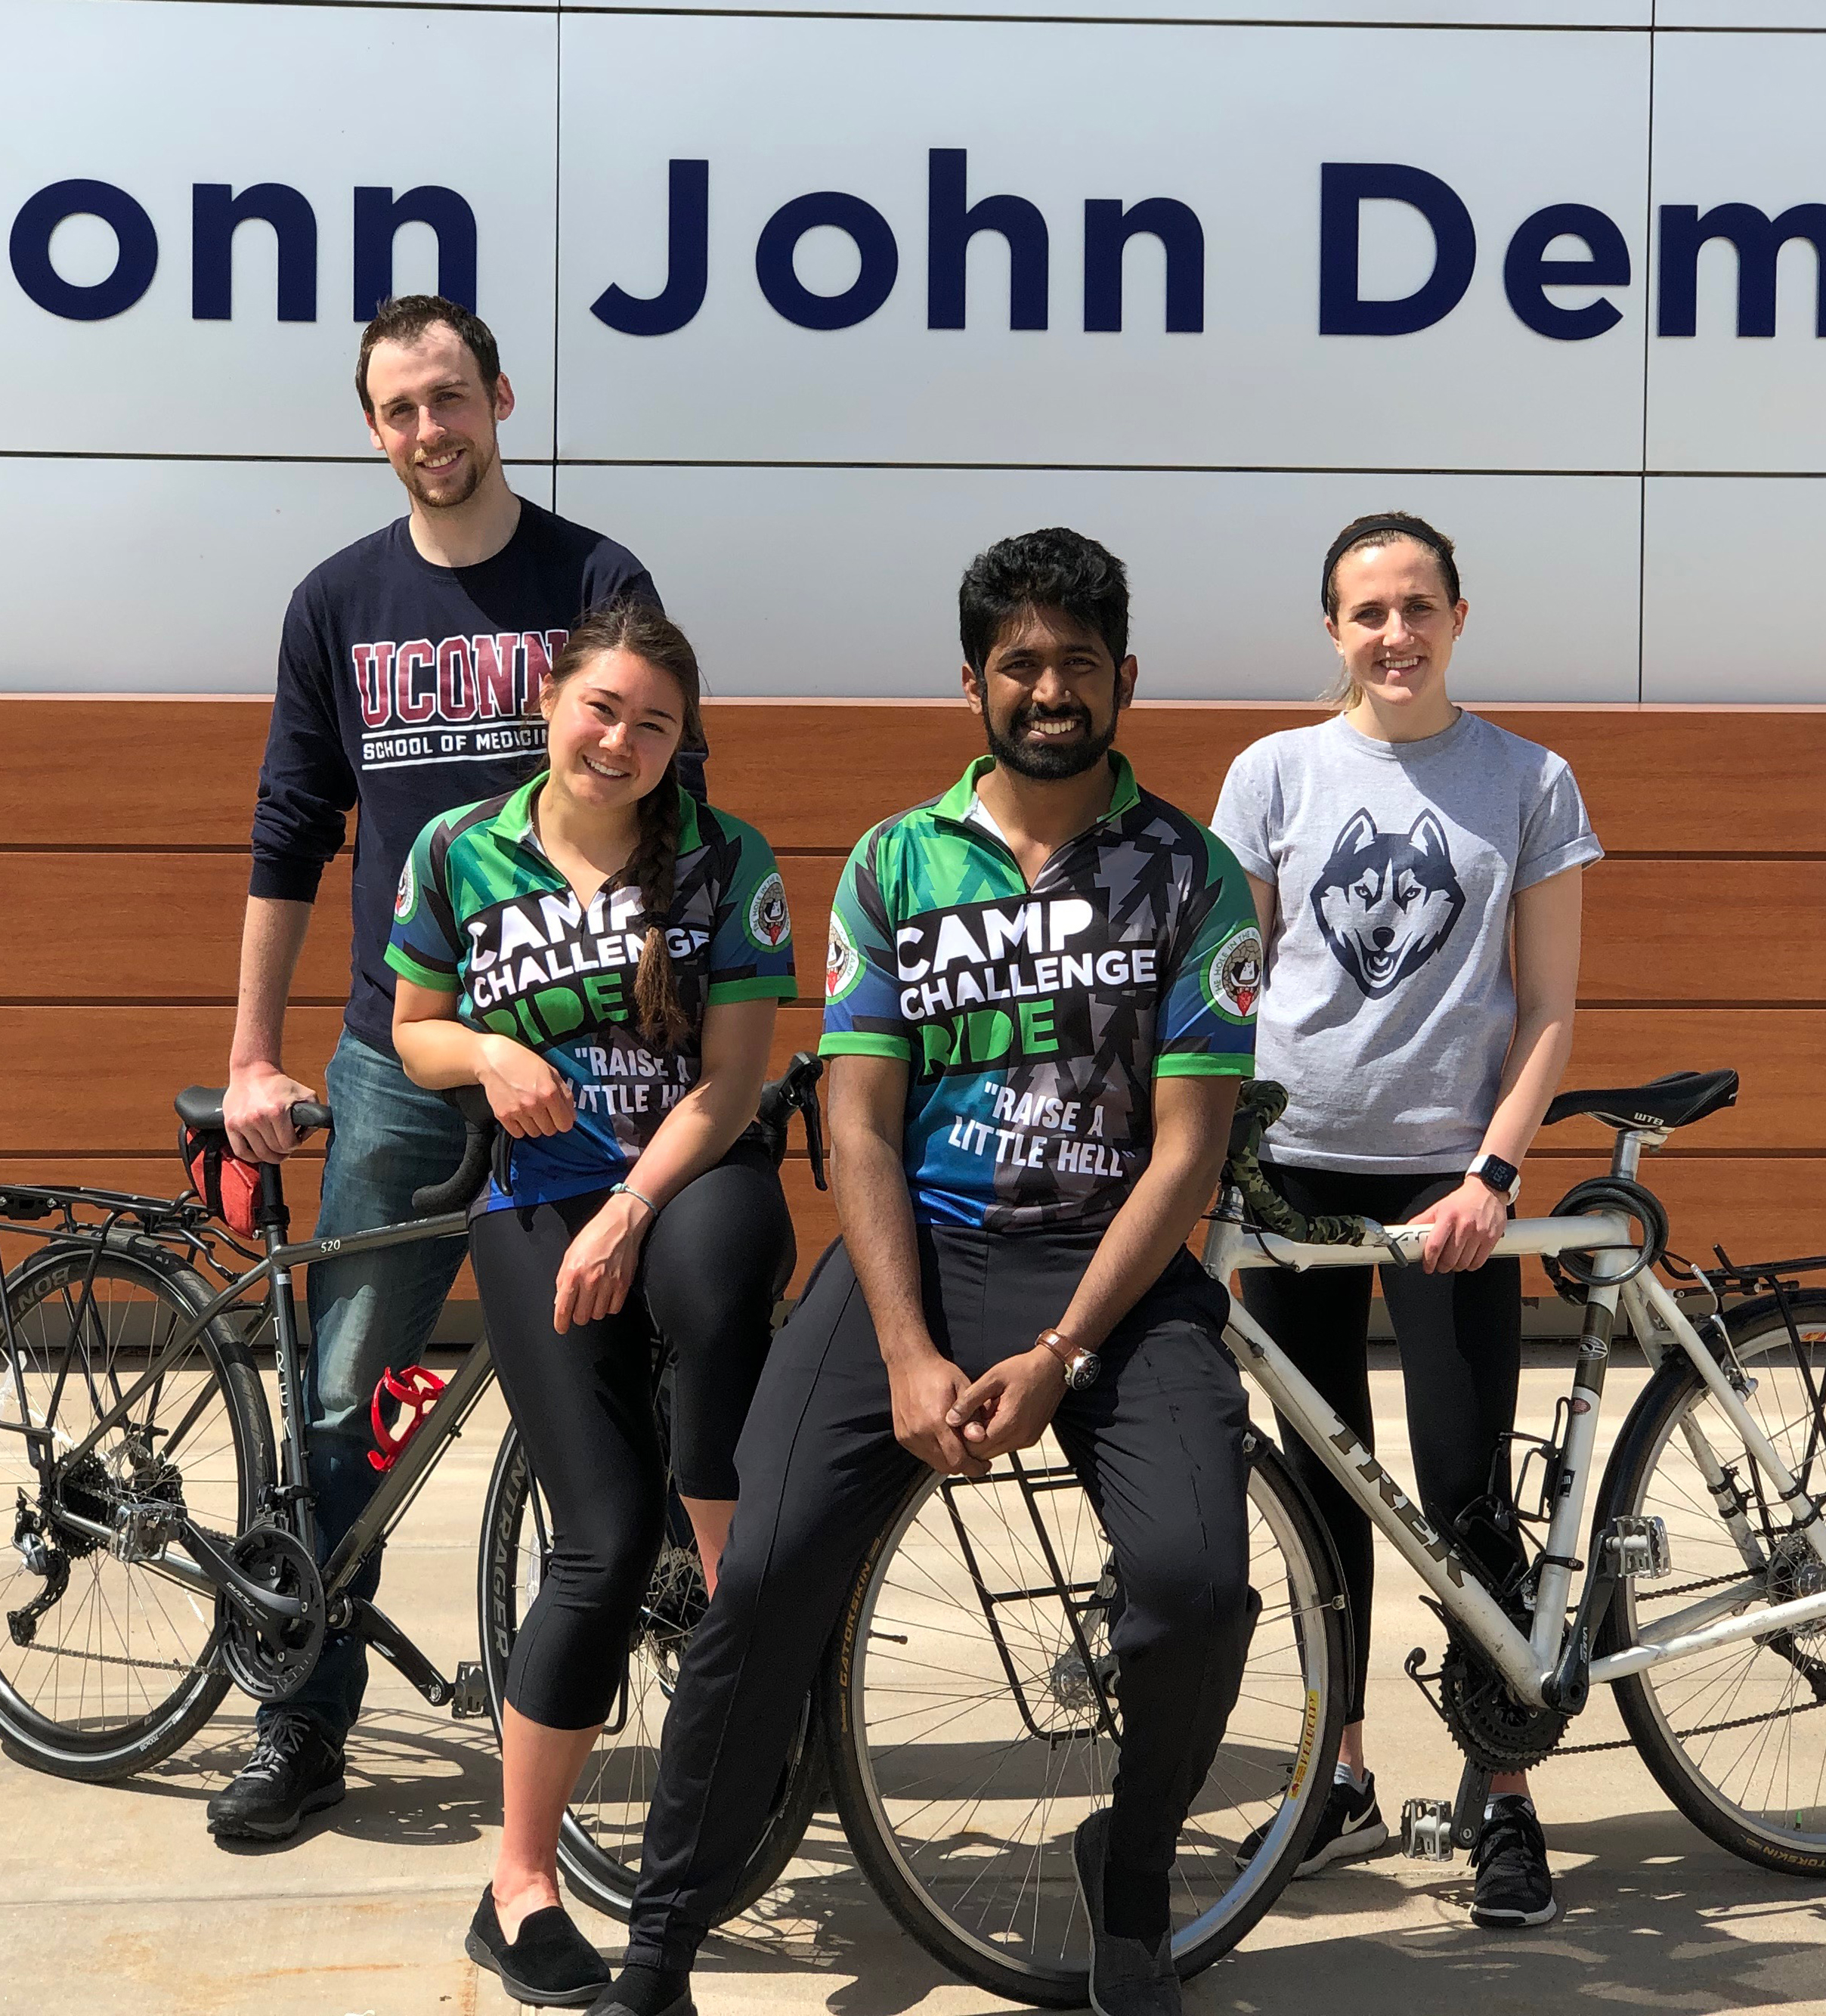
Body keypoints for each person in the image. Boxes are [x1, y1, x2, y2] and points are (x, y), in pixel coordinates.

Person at [588, 530, 1264, 2016]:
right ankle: (660, 1936)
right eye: (1019, 661)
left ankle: (1132, 1887)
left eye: (1077, 662)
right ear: (970, 679)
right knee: (756, 1575)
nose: (1048, 687)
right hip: (920, 1261)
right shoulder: (895, 863)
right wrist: (903, 1347)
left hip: (1115, 1281)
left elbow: (1186, 1151)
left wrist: (1067, 1351)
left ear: (1123, 679)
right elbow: (860, 1123)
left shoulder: (1195, 876)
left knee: (1196, 1586)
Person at [210, 296, 696, 1841]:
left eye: (450, 398)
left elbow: (677, 789)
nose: (430, 429)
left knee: (647, 1373)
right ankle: (299, 1715)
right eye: (399, 408)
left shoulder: (592, 580)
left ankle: (682, 1703)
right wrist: (247, 1050)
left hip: (587, 1067)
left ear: (498, 395)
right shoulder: (333, 602)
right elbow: (290, 830)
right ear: (374, 428)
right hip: (402, 1060)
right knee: (350, 1394)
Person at [385, 602, 798, 2006]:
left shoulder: (728, 861)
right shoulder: (460, 849)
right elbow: (411, 1027)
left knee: (717, 1269)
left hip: (685, 1174)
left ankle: (728, 1536)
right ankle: (519, 1885)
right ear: (551, 702)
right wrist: (491, 1054)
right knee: (598, 1548)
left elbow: (735, 1082)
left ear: (685, 744)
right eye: (602, 708)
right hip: (534, 1201)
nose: (622, 740)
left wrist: (632, 1202)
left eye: (656, 723)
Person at [1208, 510, 1599, 1928]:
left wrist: (1493, 1176)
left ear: (1458, 615)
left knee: (1461, 1492)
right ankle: (1339, 1781)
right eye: (1368, 611)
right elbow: (1231, 988)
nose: (1395, 633)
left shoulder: (1529, 781)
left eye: (1418, 605)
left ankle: (1504, 1797)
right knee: (1323, 1499)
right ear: (1332, 629)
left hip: (1452, 1181)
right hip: (1296, 1170)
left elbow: (1549, 1009)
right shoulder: (1272, 776)